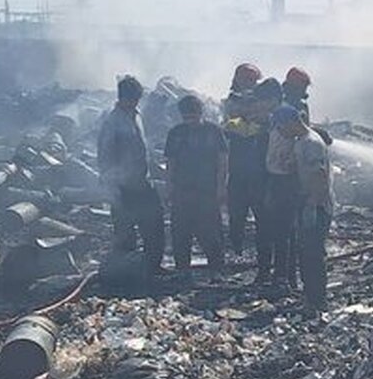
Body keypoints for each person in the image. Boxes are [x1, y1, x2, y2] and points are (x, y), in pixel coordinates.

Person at [97, 75, 164, 276]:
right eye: (132, 99)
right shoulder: (112, 121)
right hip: (122, 186)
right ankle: (125, 271)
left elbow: (143, 148)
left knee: (154, 224)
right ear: (122, 97)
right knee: (125, 231)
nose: (135, 102)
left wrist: (155, 169)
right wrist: (112, 187)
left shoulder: (137, 115)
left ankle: (153, 266)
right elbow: (105, 155)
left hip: (142, 182)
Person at [164, 95, 228, 278]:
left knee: (210, 230)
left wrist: (221, 187)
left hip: (207, 190)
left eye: (193, 117)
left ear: (201, 113)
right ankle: (182, 270)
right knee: (181, 232)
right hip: (182, 191)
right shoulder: (176, 133)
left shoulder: (213, 131)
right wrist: (169, 187)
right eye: (186, 118)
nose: (189, 121)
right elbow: (171, 162)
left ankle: (216, 268)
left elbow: (222, 160)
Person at [221, 63, 269, 257]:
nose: (251, 85)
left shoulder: (262, 103)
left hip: (260, 169)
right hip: (238, 168)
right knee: (237, 215)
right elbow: (234, 128)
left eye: (254, 81)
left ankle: (263, 255)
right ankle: (236, 251)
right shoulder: (230, 103)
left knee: (262, 217)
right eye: (248, 80)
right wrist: (254, 121)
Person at [262, 79, 302, 286]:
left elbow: (295, 138)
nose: (261, 105)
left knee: (283, 230)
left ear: (273, 99)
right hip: (277, 177)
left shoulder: (285, 114)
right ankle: (285, 275)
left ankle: (283, 275)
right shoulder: (276, 115)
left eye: (264, 101)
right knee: (281, 230)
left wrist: (291, 162)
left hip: (285, 180)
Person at [294, 111, 334, 308]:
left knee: (313, 254)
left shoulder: (311, 143)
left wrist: (312, 203)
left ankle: (317, 300)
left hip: (317, 206)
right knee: (307, 253)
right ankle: (311, 297)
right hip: (311, 203)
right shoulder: (304, 140)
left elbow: (319, 174)